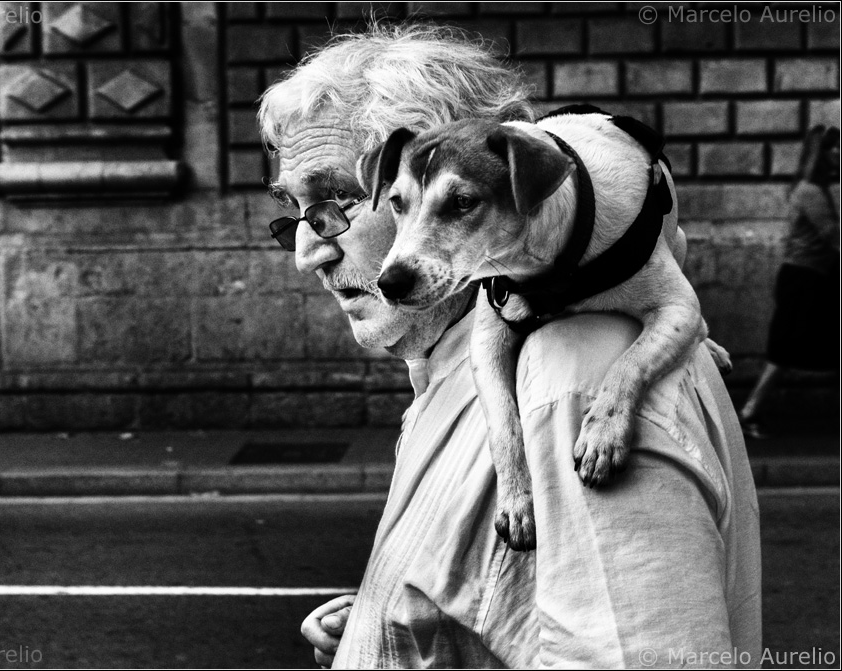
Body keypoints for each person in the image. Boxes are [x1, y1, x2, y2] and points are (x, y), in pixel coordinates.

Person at [259, 23, 762, 668]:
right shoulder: (470, 373)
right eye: (295, 211)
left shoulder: (570, 381)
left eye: (336, 200)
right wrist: (388, 630)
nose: (307, 253)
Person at [739, 125, 840, 439]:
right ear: (820, 154)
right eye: (833, 148)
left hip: (818, 277)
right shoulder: (809, 191)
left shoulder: (818, 189)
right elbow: (834, 237)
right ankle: (750, 410)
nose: (839, 154)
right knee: (785, 351)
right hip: (803, 279)